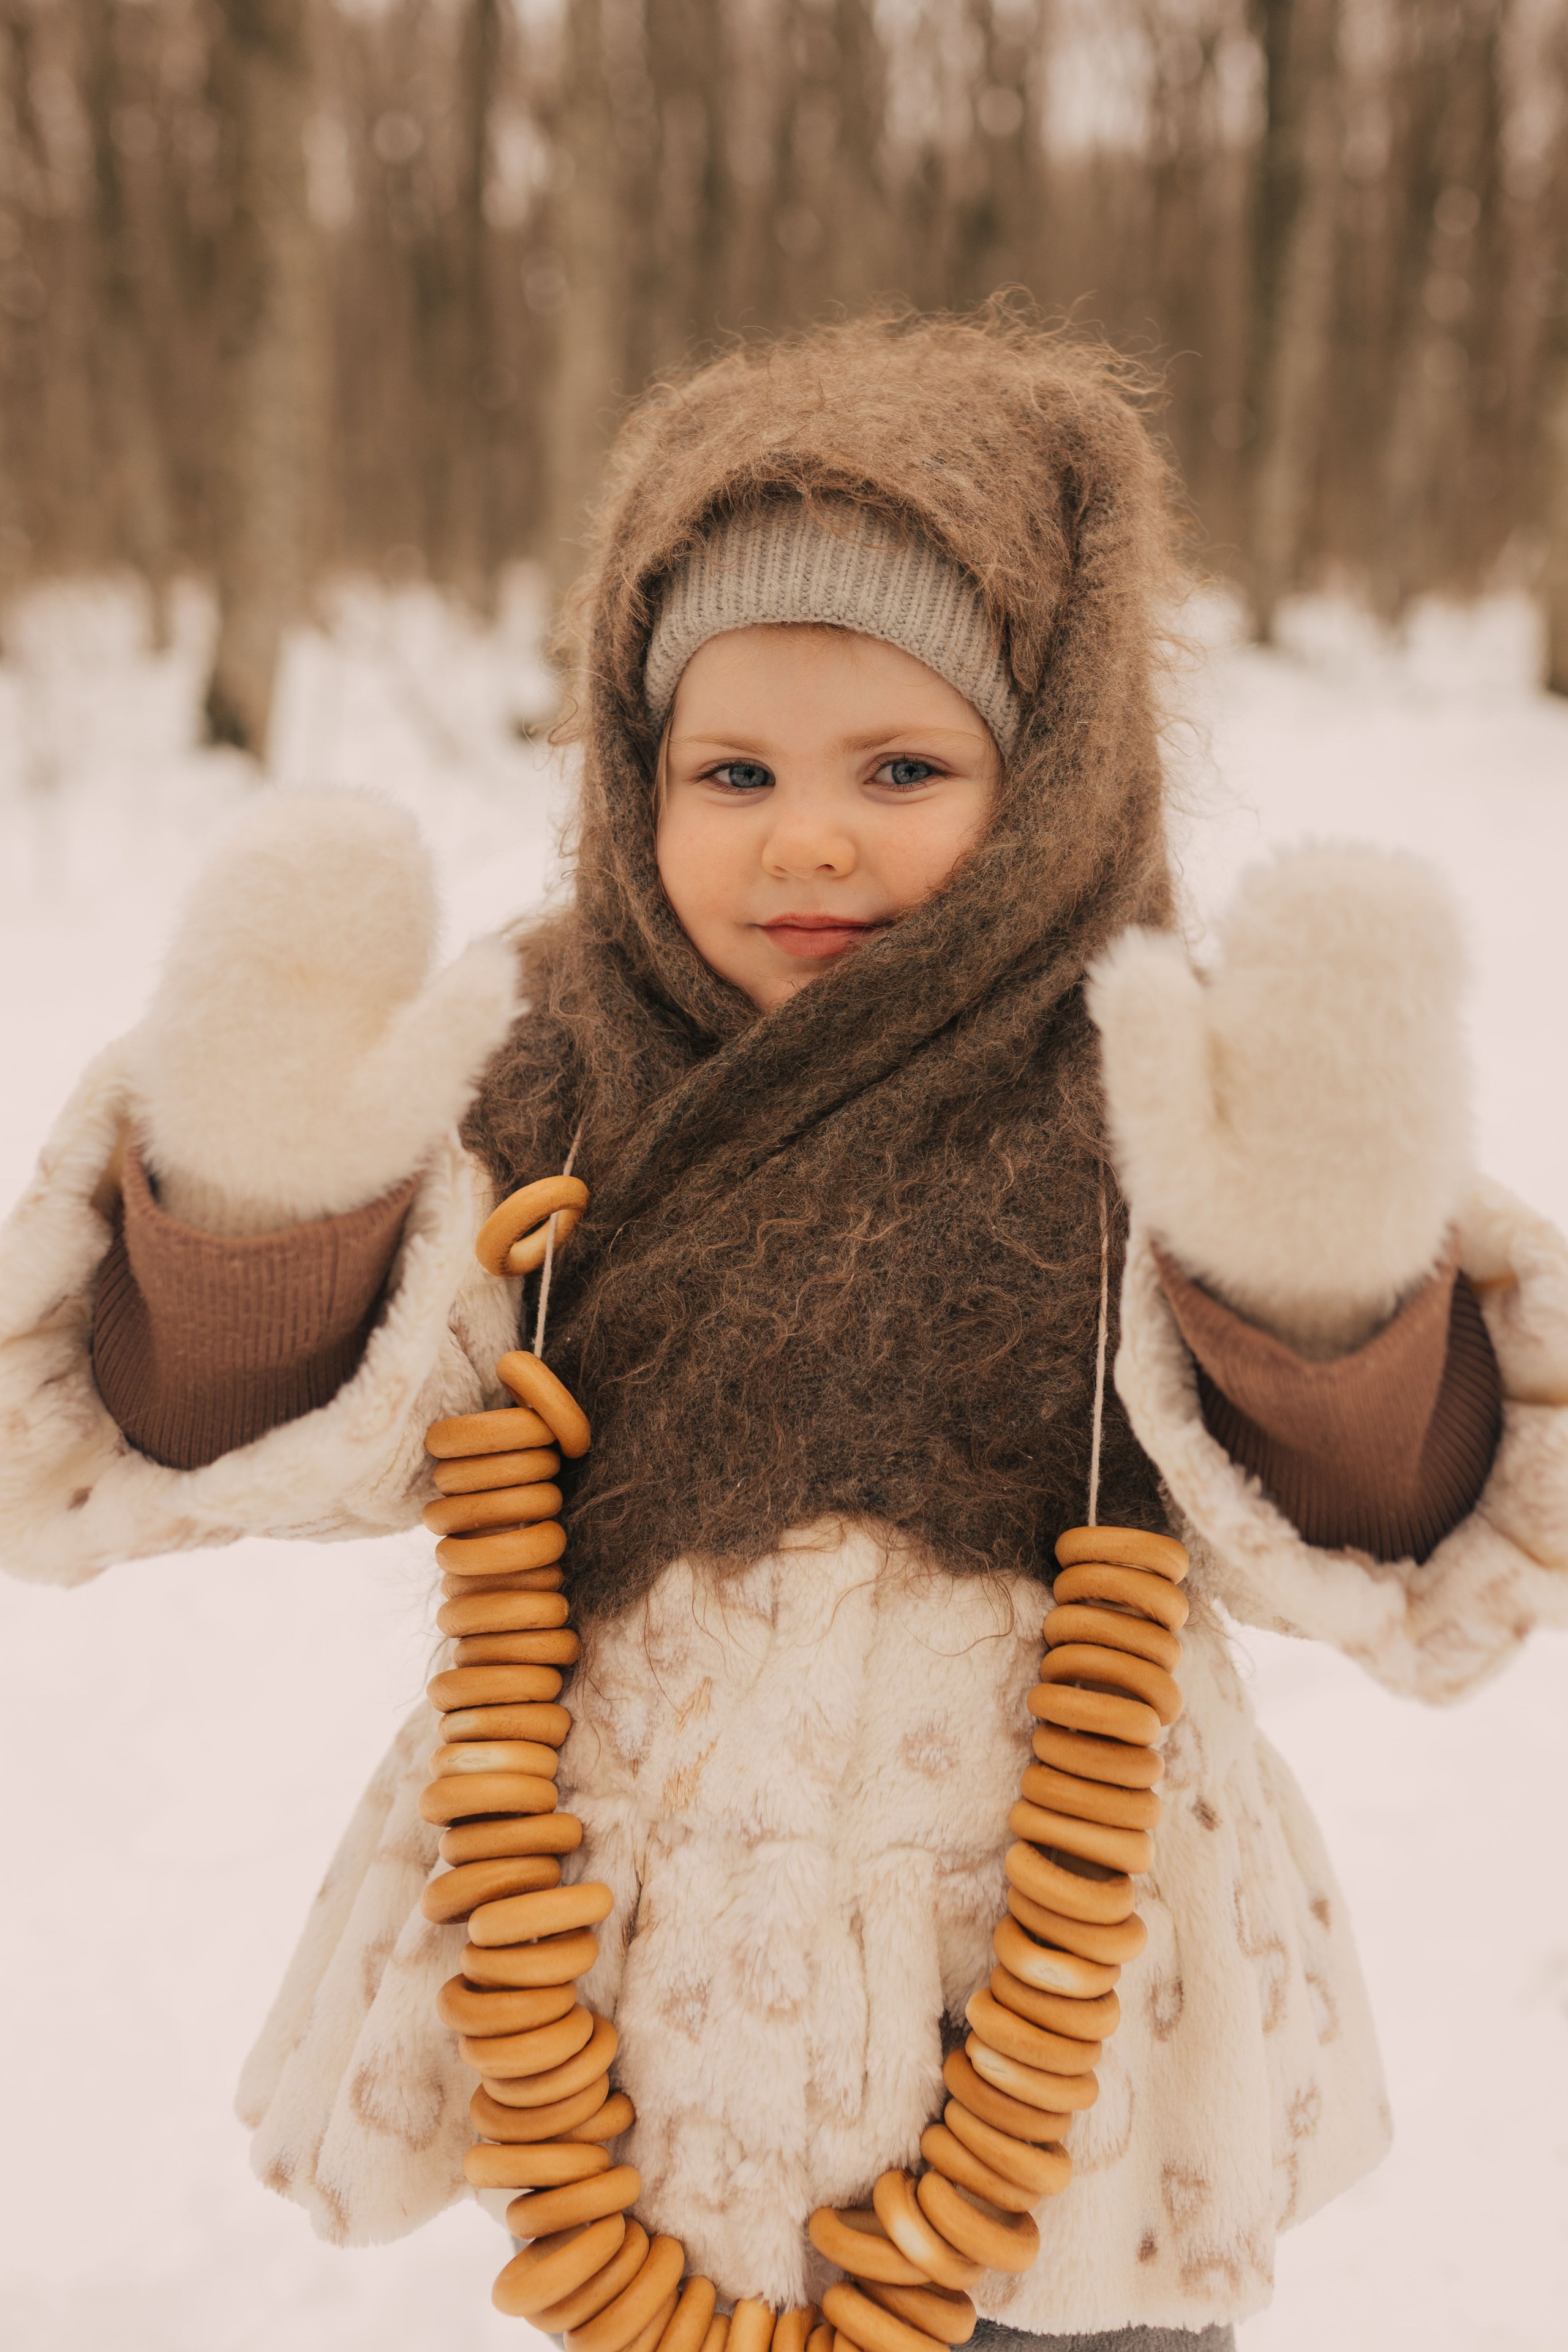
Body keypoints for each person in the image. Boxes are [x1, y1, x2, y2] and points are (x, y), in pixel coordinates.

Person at [2, 314, 1564, 2352]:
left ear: (1050, 780)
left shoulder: (1153, 1084)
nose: (805, 839)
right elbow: (285, 1429)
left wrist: (1318, 1290)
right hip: (648, 1982)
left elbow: (1391, 1534)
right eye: (731, 772)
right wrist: (264, 1208)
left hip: (1062, 2008)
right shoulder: (551, 1062)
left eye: (900, 771)